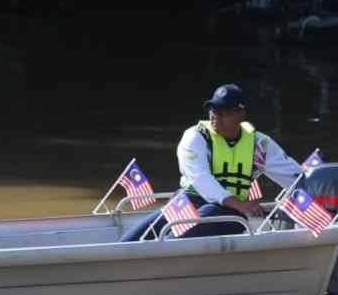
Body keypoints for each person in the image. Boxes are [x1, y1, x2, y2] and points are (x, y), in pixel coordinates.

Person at [120, 84, 303, 241]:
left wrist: (320, 191)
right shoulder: (196, 137)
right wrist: (240, 204)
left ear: (240, 113)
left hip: (227, 214)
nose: (215, 115)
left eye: (223, 111)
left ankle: (158, 258)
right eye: (213, 109)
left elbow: (294, 177)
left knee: (179, 234)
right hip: (188, 203)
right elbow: (201, 179)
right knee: (133, 239)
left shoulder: (259, 144)